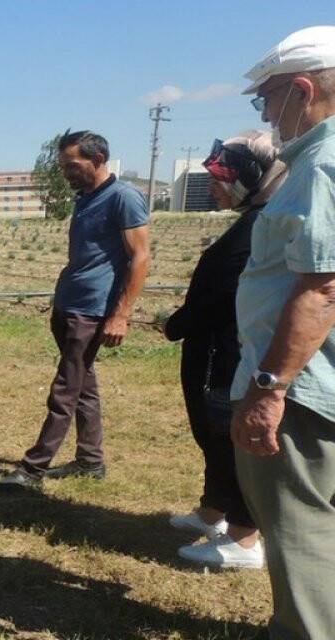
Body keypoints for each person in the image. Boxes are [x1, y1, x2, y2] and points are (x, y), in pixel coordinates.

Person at [232, 25, 335, 639]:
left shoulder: (320, 166)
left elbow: (322, 287)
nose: (267, 115)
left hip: (303, 390)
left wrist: (269, 389)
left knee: (300, 530)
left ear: (302, 90)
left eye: (267, 99)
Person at [0, 131, 151, 491]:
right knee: (83, 385)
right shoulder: (85, 197)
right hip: (69, 303)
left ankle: (33, 469)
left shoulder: (123, 197)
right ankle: (90, 461)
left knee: (65, 388)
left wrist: (121, 315)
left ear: (98, 159)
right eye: (63, 166)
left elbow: (141, 257)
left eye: (72, 165)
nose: (66, 173)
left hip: (92, 310)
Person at [163, 132, 286, 570]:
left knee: (224, 436)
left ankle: (243, 539)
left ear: (251, 178)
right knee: (211, 433)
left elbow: (220, 297)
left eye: (222, 178)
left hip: (226, 353)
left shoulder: (260, 226)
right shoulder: (254, 219)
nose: (213, 186)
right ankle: (212, 512)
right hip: (213, 349)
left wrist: (176, 324)